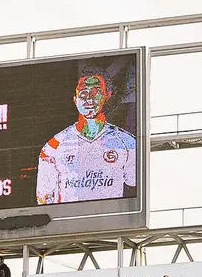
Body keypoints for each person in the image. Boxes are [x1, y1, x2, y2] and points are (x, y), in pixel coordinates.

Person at [36, 66, 136, 205]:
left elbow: (136, 192)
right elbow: (43, 198)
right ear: (75, 98)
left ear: (108, 94)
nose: (89, 98)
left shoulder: (128, 143)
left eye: (96, 91)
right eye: (83, 92)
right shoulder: (54, 147)